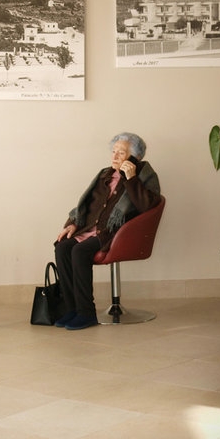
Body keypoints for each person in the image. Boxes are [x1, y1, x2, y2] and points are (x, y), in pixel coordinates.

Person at [53, 132, 161, 330]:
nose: (115, 156)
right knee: (62, 247)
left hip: (115, 234)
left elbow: (146, 206)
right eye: (114, 151)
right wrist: (73, 223)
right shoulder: (105, 174)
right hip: (90, 228)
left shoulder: (145, 176)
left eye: (121, 152)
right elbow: (87, 204)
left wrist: (131, 179)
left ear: (135, 157)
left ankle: (86, 313)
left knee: (79, 251)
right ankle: (72, 309)